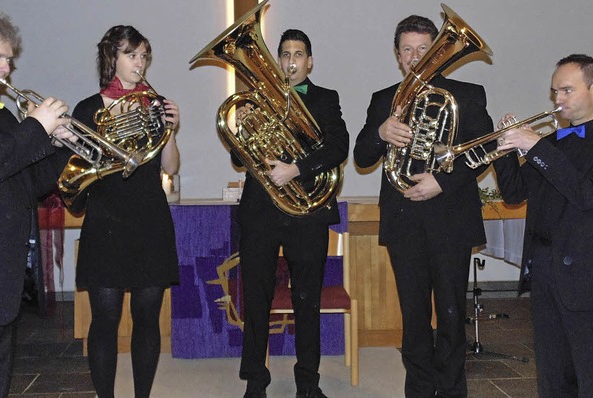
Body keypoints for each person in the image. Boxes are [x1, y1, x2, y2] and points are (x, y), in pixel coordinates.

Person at [354, 15, 494, 398]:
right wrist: (381, 132)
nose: (415, 58)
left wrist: (441, 182)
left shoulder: (467, 94)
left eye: (423, 49)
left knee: (451, 316)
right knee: (413, 317)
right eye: (407, 50)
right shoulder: (384, 100)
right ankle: (417, 389)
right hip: (405, 224)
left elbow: (484, 151)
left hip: (451, 220)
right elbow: (362, 156)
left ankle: (451, 391)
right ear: (398, 56)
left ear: (437, 52)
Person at [0, 7, 75, 397]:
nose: (6, 70)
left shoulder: (1, 116)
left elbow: (29, 187)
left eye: (9, 60)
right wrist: (36, 128)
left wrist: (58, 147)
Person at [234, 29, 348, 398]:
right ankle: (256, 379)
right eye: (285, 54)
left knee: (306, 299)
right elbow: (239, 159)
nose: (291, 60)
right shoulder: (257, 98)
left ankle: (307, 382)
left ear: (309, 61)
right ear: (278, 60)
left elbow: (339, 145)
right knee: (256, 297)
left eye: (299, 54)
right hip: (261, 212)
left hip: (306, 211)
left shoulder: (326, 99)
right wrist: (242, 126)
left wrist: (295, 169)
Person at [72, 25, 180, 398]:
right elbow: (78, 168)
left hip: (150, 219)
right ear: (112, 58)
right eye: (132, 55)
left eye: (144, 55)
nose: (140, 62)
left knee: (147, 320)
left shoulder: (156, 103)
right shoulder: (89, 108)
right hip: (106, 221)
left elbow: (171, 167)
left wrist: (172, 131)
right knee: (104, 321)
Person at [492, 53, 593, 397]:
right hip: (546, 266)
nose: (557, 100)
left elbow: (584, 195)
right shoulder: (551, 143)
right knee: (552, 370)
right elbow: (514, 193)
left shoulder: (545, 147)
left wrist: (534, 145)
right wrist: (505, 149)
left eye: (566, 90)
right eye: (554, 92)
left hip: (585, 271)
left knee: (587, 368)